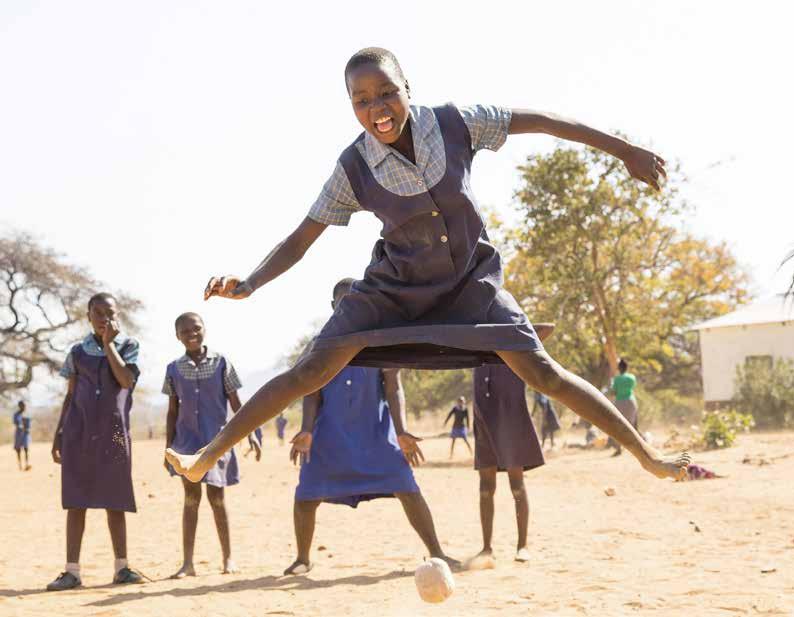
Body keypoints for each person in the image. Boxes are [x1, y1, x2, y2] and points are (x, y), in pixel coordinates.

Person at [167, 47, 689, 489]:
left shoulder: (456, 122)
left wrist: (624, 151)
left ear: (406, 88)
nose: (378, 108)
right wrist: (251, 283)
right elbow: (304, 236)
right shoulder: (354, 166)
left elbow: (545, 122)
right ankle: (206, 456)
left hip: (471, 284)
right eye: (362, 101)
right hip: (393, 291)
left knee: (541, 370)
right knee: (310, 371)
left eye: (386, 93)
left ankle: (647, 456)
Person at [285, 279, 456, 575]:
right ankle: (303, 558)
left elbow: (393, 388)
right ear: (333, 307)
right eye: (343, 302)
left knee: (407, 486)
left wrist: (401, 431)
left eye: (357, 301)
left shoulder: (381, 341)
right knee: (306, 495)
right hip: (330, 437)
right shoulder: (318, 345)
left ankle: (438, 552)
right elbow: (310, 391)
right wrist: (307, 430)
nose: (350, 307)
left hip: (375, 435)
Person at [47, 292, 143, 591]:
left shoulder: (128, 346)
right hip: (79, 432)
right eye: (97, 313)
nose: (104, 318)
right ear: (88, 316)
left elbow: (126, 381)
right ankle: (72, 571)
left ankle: (122, 568)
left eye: (110, 313)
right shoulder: (77, 352)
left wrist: (108, 345)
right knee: (76, 500)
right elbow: (71, 393)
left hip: (115, 433)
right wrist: (59, 432)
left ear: (118, 316)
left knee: (116, 499)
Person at [164, 312, 257, 578]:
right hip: (185, 444)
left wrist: (249, 433)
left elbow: (236, 403)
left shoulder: (221, 363)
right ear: (177, 336)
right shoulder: (173, 369)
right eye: (184, 331)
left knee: (217, 498)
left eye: (196, 328)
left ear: (205, 329)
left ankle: (228, 559)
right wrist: (168, 446)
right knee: (191, 499)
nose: (191, 334)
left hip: (217, 441)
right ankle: (187, 563)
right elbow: (172, 411)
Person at [469, 323, 554, 568]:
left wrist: (509, 330)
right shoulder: (474, 345)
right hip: (483, 417)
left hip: (511, 417)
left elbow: (548, 328)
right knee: (486, 488)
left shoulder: (515, 345)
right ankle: (486, 548)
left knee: (517, 485)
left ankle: (522, 545)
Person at [607, 359, 638, 456]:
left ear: (619, 368)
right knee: (632, 426)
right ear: (627, 368)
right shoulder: (632, 377)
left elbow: (614, 392)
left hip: (620, 402)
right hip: (631, 402)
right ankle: (635, 449)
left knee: (618, 426)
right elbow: (632, 387)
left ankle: (619, 448)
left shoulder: (616, 379)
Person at [13, 400, 31, 471]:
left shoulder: (27, 414)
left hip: (25, 434)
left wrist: (27, 429)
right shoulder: (16, 414)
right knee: (18, 450)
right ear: (19, 406)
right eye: (22, 405)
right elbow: (16, 423)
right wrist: (20, 426)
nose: (24, 407)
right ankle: (20, 465)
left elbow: (29, 425)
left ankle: (27, 464)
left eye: (24, 405)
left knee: (26, 449)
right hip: (18, 434)